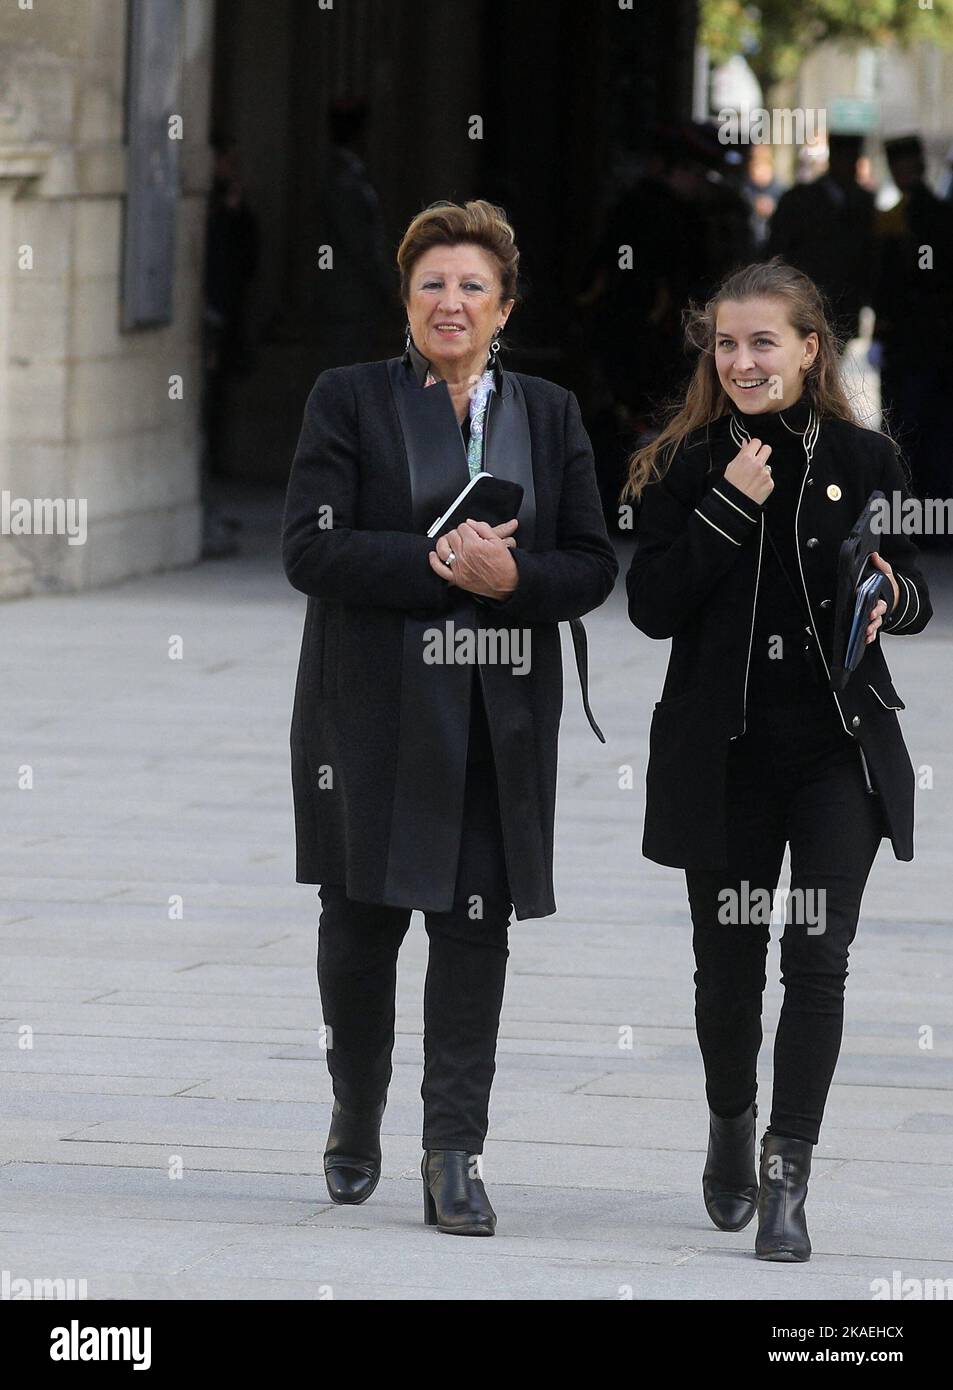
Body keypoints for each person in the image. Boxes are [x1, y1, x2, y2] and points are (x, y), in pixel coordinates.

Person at [282, 199, 617, 1236]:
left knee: (473, 935)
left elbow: (591, 566)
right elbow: (310, 548)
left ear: (503, 306)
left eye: (472, 285)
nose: (451, 302)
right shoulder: (348, 400)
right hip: (371, 712)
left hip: (492, 719)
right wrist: (438, 563)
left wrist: (511, 573)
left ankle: (452, 1150)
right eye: (432, 283)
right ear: (406, 299)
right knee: (358, 928)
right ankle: (355, 1101)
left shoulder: (550, 413)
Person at [624, 258, 931, 1262]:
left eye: (763, 342)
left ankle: (785, 1166)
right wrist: (723, 503)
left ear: (809, 347)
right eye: (725, 344)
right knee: (726, 970)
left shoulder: (865, 456)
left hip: (833, 753)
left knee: (817, 957)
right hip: (724, 756)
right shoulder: (681, 462)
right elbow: (651, 605)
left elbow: (910, 592)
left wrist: (891, 598)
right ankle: (726, 1120)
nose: (743, 360)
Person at [873, 134, 953, 522]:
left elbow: (925, 273)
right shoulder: (904, 214)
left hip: (918, 342)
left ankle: (917, 517)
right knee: (925, 431)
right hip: (918, 341)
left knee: (913, 431)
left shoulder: (922, 216)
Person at [766, 133, 875, 343]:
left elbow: (868, 255)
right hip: (805, 296)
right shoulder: (800, 200)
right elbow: (778, 248)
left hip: (845, 302)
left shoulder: (863, 202)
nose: (849, 165)